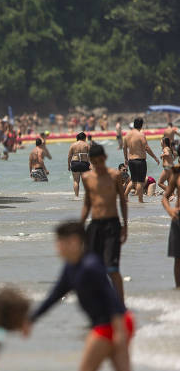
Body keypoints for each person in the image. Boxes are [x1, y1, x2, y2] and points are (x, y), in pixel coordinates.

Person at [29, 222, 142, 371]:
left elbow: (111, 297)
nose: (56, 247)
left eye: (59, 242)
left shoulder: (91, 265)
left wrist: (120, 331)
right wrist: (31, 319)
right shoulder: (71, 267)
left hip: (113, 324)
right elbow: (55, 296)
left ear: (73, 242)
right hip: (113, 323)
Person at [81, 143, 128, 302]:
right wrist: (80, 226)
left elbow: (122, 200)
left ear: (105, 158)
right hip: (94, 226)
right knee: (93, 267)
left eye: (100, 161)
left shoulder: (114, 175)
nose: (98, 165)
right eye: (94, 162)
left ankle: (120, 306)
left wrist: (125, 225)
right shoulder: (87, 177)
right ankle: (100, 304)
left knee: (112, 268)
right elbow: (87, 203)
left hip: (112, 225)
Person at [123, 117, 159, 203]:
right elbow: (146, 147)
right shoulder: (141, 135)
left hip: (131, 161)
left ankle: (125, 195)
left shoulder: (127, 135)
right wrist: (155, 157)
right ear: (141, 125)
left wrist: (125, 159)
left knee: (133, 180)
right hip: (140, 161)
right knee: (140, 181)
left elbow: (124, 148)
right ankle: (140, 200)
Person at [161, 151, 180, 287]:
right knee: (178, 259)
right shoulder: (176, 173)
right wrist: (170, 210)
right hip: (178, 217)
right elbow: (165, 197)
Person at [68, 132, 90, 197]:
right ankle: (87, 196)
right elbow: (91, 155)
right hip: (84, 163)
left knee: (76, 181)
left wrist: (68, 165)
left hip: (75, 163)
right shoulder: (86, 145)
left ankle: (76, 196)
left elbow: (69, 156)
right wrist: (91, 164)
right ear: (84, 138)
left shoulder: (73, 145)